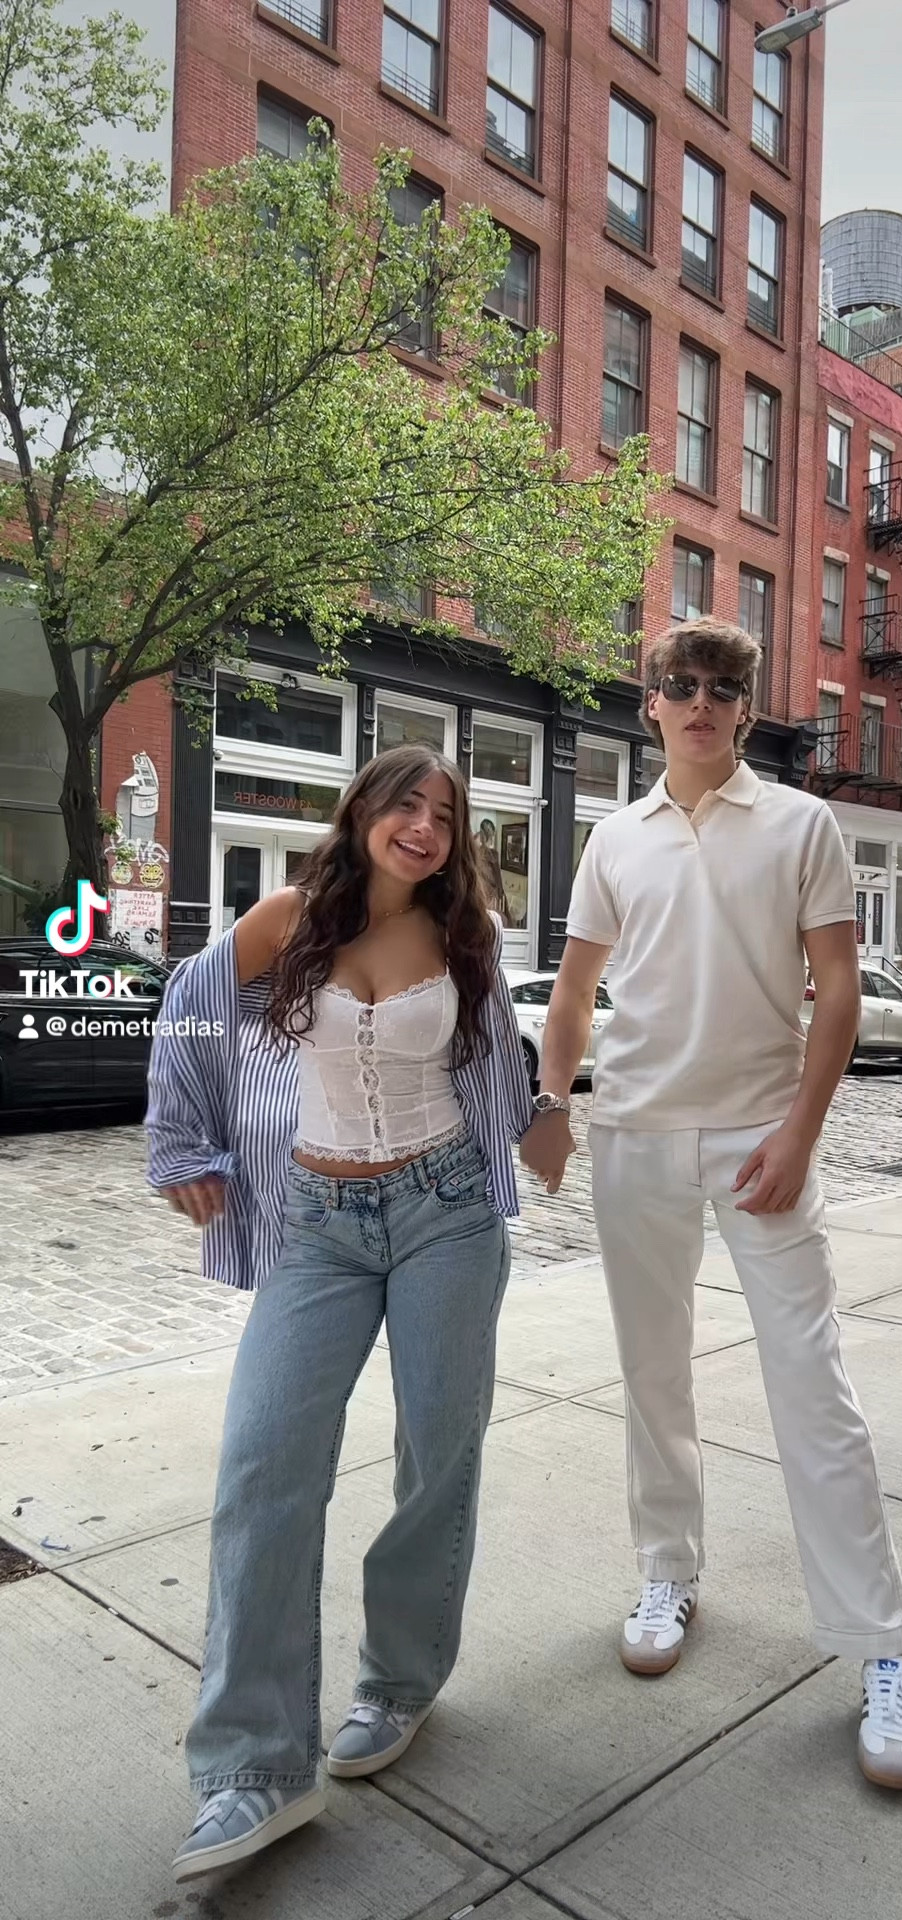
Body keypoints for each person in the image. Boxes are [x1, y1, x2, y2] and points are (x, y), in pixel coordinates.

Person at [522, 617, 902, 1793]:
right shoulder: (615, 838)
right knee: (653, 1378)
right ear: (649, 703)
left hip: (760, 1138)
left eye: (721, 687)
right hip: (638, 1134)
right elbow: (575, 995)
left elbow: (839, 986)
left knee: (815, 1389)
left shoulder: (803, 825)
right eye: (679, 685)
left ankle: (883, 1650)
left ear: (745, 710)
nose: (699, 701)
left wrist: (801, 1133)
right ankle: (668, 1569)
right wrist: (554, 1107)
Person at [146, 745, 540, 1881]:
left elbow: (497, 1059)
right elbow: (190, 1008)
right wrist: (181, 1144)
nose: (424, 825)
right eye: (406, 802)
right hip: (316, 1219)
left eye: (446, 814)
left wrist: (543, 1119)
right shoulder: (290, 917)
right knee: (263, 1469)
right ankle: (252, 1770)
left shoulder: (466, 937)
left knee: (437, 1458)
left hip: (446, 1214)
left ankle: (400, 1682)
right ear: (365, 810)